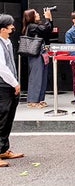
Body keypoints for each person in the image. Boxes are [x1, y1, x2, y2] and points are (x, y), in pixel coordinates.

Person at [0, 14, 24, 167]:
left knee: (8, 119)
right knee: (1, 119)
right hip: (3, 86)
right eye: (10, 26)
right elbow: (2, 68)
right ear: (2, 29)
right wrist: (15, 83)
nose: (13, 28)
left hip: (9, 85)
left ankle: (3, 149)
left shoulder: (7, 42)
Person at [22, 8, 53, 109]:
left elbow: (48, 30)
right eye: (36, 13)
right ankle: (33, 100)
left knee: (42, 77)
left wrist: (50, 19)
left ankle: (40, 99)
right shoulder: (31, 26)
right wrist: (47, 19)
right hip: (35, 55)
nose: (38, 14)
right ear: (31, 16)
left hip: (41, 53)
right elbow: (45, 29)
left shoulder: (35, 26)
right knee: (36, 77)